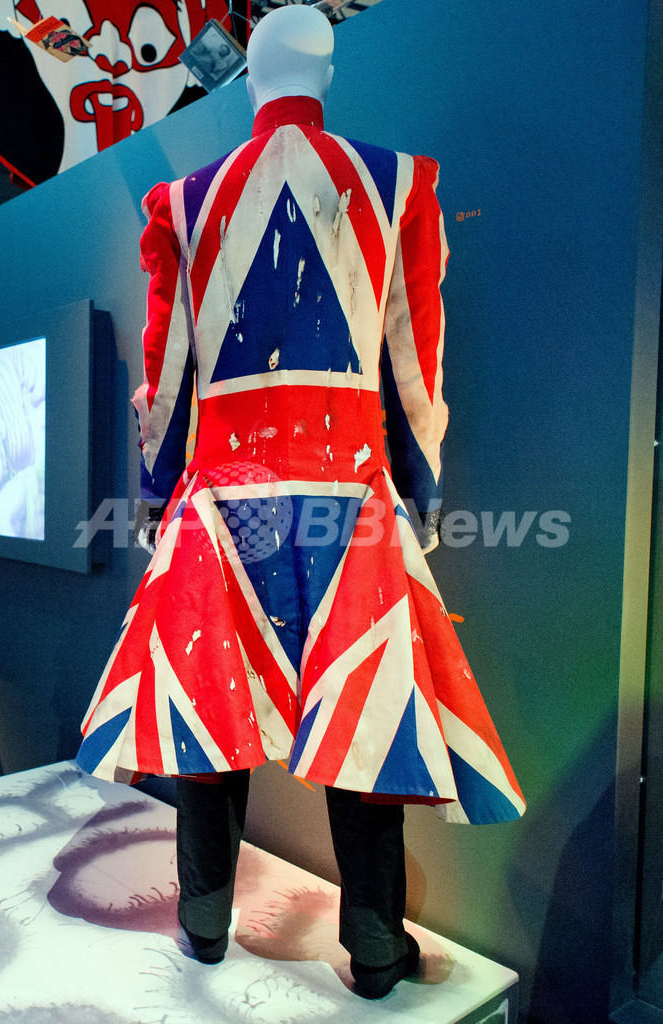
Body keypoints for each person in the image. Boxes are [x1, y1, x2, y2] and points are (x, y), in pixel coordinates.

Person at [77, 4, 525, 999]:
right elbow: (414, 366)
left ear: (252, 76)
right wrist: (419, 493)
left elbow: (168, 373)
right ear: (325, 73)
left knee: (206, 714)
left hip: (220, 496)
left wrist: (158, 494)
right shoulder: (396, 183)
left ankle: (202, 927)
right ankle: (374, 948)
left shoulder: (183, 201)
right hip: (346, 491)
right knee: (365, 718)